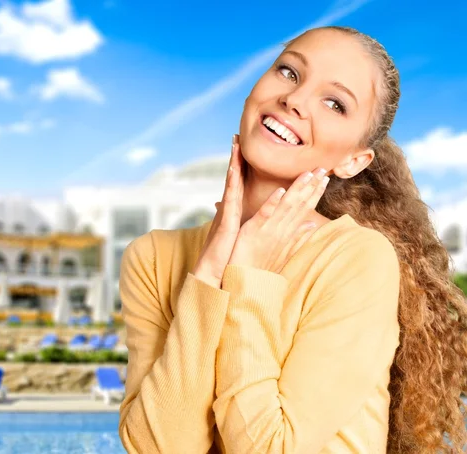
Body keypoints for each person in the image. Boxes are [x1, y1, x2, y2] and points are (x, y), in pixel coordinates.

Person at [117, 26, 467, 453]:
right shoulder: (153, 257)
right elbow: (158, 447)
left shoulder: (357, 260)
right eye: (289, 72)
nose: (295, 100)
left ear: (353, 161)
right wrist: (209, 272)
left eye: (335, 103)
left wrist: (248, 277)